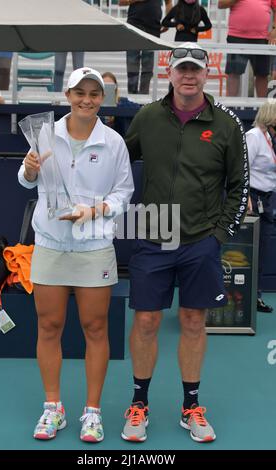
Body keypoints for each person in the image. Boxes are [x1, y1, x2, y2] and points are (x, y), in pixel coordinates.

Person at [121, 42, 249, 443]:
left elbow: (239, 186)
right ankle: (139, 404)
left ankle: (190, 406)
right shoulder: (147, 117)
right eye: (182, 69)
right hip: (152, 235)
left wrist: (218, 235)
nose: (188, 76)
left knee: (194, 322)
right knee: (145, 321)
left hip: (201, 242)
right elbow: (116, 164)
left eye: (195, 69)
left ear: (206, 74)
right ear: (169, 73)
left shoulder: (227, 125)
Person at [18, 67, 134, 443]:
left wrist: (94, 211)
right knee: (49, 327)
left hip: (94, 246)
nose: (87, 100)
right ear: (67, 95)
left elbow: (123, 193)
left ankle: (92, 412)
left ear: (103, 98)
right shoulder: (44, 134)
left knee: (95, 328)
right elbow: (27, 181)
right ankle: (53, 409)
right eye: (79, 92)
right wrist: (28, 168)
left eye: (94, 94)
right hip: (50, 244)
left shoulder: (114, 141)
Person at [246, 100, 276, 312]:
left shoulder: (268, 138)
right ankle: (245, 296)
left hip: (266, 199)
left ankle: (255, 296)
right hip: (252, 199)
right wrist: (245, 197)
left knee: (262, 249)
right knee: (250, 251)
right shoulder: (254, 136)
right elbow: (241, 167)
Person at [218, 0, 276, 97]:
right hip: (236, 37)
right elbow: (221, 4)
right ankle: (231, 108)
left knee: (262, 74)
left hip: (262, 38)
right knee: (233, 73)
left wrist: (275, 28)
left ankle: (262, 109)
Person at [118, 0, 173, 94]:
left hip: (153, 26)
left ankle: (144, 95)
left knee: (148, 65)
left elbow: (168, 2)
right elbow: (121, 2)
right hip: (134, 24)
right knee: (132, 61)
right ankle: (132, 95)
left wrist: (167, 21)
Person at [101, 71, 141, 136]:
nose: (108, 90)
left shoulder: (123, 102)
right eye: (105, 86)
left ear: (116, 88)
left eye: (111, 86)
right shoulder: (94, 105)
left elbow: (137, 108)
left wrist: (118, 105)